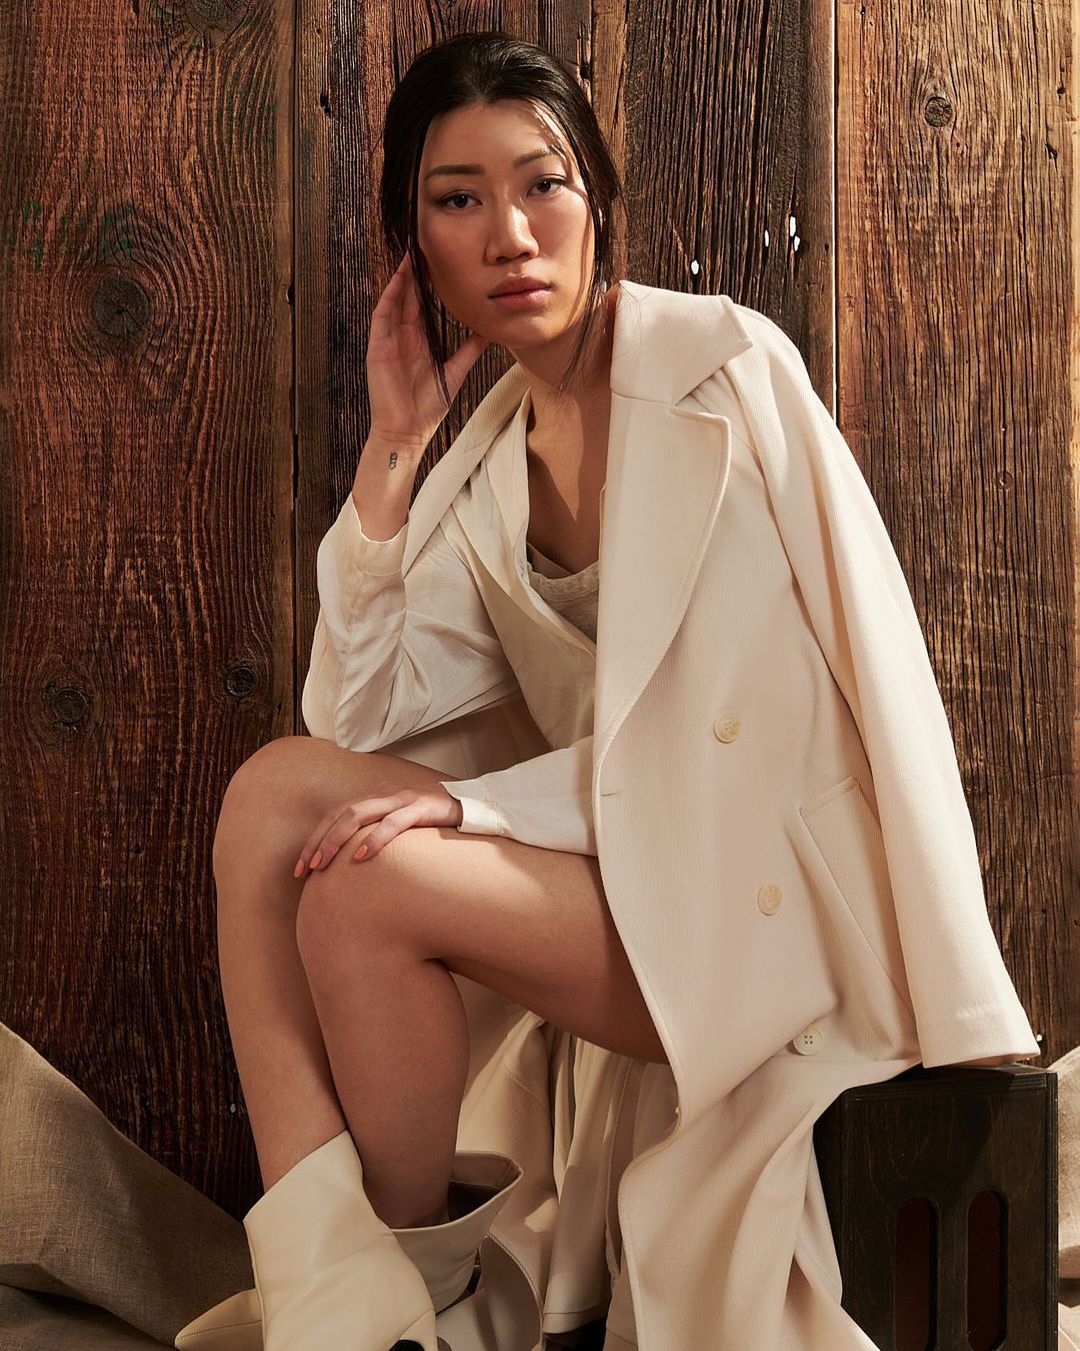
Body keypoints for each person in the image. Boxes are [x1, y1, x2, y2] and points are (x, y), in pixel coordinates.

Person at [175, 29, 1040, 1351]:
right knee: (273, 797)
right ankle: (337, 1292)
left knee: (366, 887)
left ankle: (407, 1296)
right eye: (459, 199)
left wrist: (475, 813)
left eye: (544, 185)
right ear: (416, 249)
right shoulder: (483, 470)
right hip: (628, 886)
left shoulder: (721, 374)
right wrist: (394, 455)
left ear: (598, 201)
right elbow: (353, 732)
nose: (511, 235)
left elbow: (767, 725)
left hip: (764, 909)